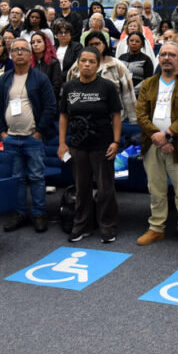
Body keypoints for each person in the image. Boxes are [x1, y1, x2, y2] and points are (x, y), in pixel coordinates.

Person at [134, 40, 178, 249]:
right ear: (158, 58)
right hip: (152, 145)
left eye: (171, 54)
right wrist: (158, 137)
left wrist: (168, 136)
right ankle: (156, 228)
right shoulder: (148, 84)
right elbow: (141, 114)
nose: (166, 58)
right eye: (163, 54)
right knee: (156, 190)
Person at [0, 37, 58, 234]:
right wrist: (2, 132)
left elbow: (50, 106)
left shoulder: (40, 78)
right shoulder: (5, 78)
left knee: (37, 177)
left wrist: (39, 132)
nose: (20, 53)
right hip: (11, 137)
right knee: (17, 178)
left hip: (32, 137)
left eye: (24, 50)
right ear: (11, 54)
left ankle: (39, 213)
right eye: (16, 50)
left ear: (30, 55)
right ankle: (20, 213)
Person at [58, 46, 122, 243]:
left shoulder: (107, 87)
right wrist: (62, 143)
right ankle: (81, 225)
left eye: (91, 61)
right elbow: (63, 117)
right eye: (83, 60)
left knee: (105, 189)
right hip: (77, 146)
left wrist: (116, 141)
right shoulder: (69, 87)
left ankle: (107, 226)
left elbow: (116, 116)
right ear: (78, 63)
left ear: (98, 64)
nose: (87, 64)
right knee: (81, 188)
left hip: (102, 145)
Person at [71, 31, 138, 124]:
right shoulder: (77, 66)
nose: (94, 47)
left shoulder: (117, 66)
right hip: (82, 121)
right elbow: (70, 92)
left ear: (104, 45)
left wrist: (133, 120)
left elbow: (128, 94)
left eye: (97, 43)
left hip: (111, 121)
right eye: (91, 44)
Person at [28, 31, 64, 99]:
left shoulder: (53, 62)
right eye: (33, 42)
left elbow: (56, 86)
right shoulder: (29, 63)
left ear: (46, 43)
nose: (35, 44)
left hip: (49, 99)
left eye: (39, 41)